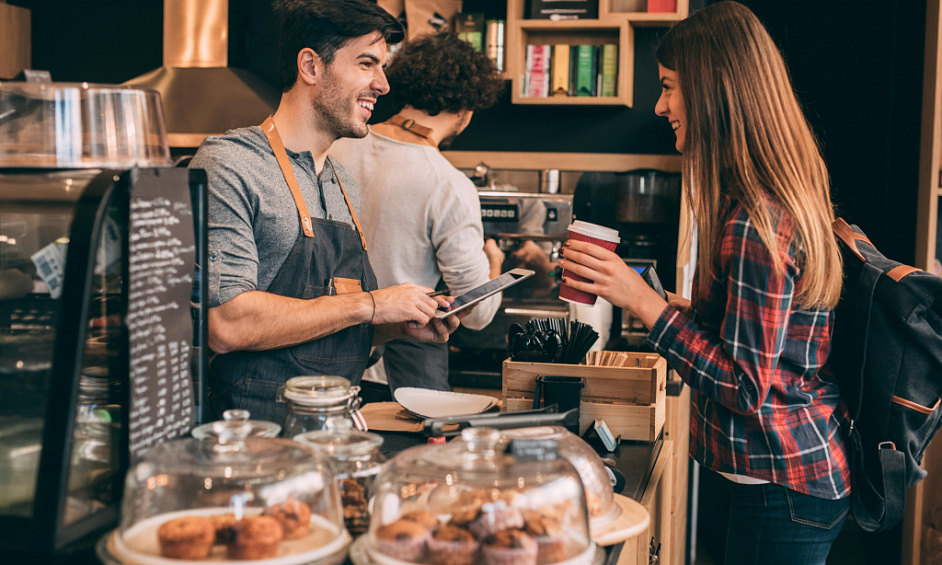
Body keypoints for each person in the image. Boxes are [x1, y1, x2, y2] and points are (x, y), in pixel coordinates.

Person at [558, 3, 850, 563]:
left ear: (715, 91)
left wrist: (643, 303)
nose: (659, 104)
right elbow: (768, 340)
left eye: (669, 87)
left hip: (781, 481)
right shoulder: (766, 199)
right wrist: (680, 310)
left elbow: (745, 385)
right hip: (790, 475)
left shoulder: (754, 223)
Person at [189, 0, 461, 424]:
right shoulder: (232, 164)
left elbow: (323, 325)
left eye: (382, 67)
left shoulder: (341, 182)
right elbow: (227, 324)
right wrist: (373, 305)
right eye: (367, 63)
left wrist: (396, 325)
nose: (383, 85)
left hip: (332, 432)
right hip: (254, 440)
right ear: (311, 67)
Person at [330, 32, 505, 396]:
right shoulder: (448, 184)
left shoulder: (336, 147)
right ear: (466, 110)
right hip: (404, 378)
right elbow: (478, 313)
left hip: (325, 357)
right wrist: (494, 263)